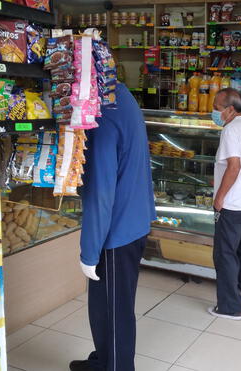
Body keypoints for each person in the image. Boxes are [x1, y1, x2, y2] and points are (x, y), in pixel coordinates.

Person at [70, 82, 156, 371]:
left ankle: (117, 365)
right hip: (134, 216)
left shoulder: (102, 116)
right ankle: (104, 360)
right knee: (103, 308)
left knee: (115, 313)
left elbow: (100, 191)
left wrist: (89, 253)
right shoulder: (120, 94)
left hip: (117, 231)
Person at [208, 88, 241, 321]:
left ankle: (230, 307)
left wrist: (219, 197)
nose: (214, 112)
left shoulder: (230, 130)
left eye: (217, 108)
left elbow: (234, 166)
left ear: (230, 109)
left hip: (233, 204)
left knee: (225, 254)